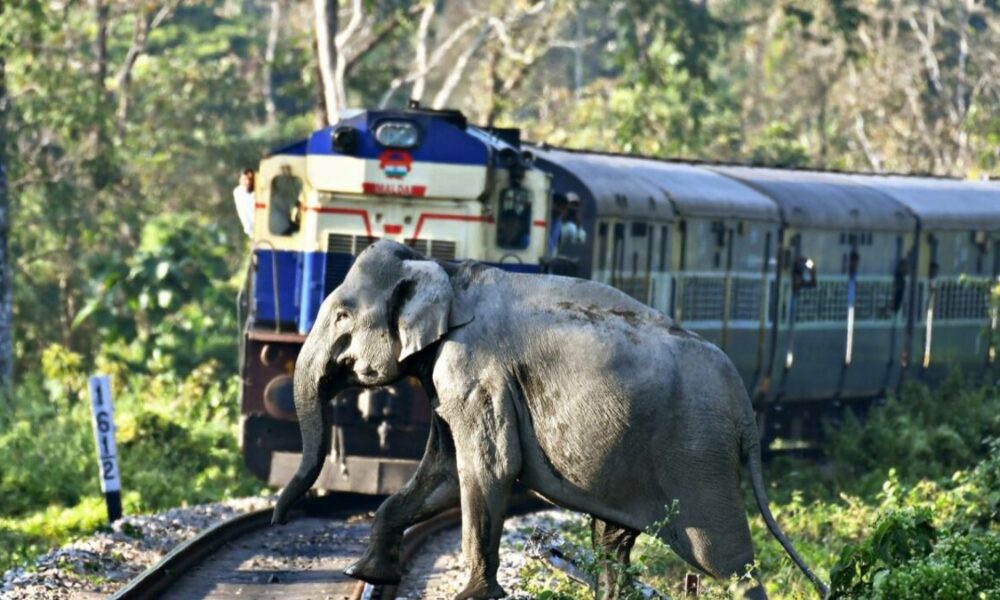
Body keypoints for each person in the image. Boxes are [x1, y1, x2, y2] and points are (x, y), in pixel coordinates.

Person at [233, 168, 256, 237]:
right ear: (240, 180)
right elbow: (242, 213)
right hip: (254, 231)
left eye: (250, 179)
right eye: (245, 179)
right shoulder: (238, 192)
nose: (248, 182)